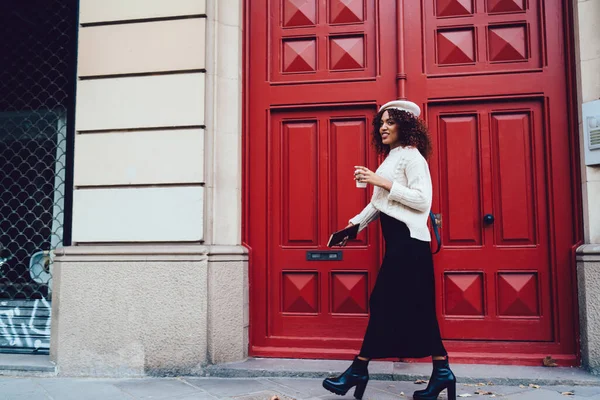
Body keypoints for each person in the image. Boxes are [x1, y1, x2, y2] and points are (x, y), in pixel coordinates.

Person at [322, 100, 456, 400]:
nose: (383, 127)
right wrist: (352, 227)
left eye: (390, 122)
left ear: (405, 125)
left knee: (382, 301)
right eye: (381, 122)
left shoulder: (412, 157)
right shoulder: (392, 157)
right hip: (399, 242)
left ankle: (358, 369)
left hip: (410, 243)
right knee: (419, 308)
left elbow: (423, 200)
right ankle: (442, 370)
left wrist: (380, 180)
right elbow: (379, 203)